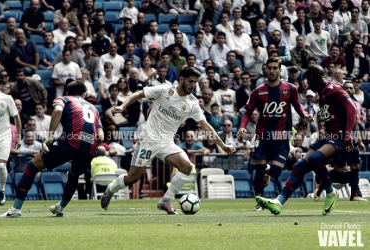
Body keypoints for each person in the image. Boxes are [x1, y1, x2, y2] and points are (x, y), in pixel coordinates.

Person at [100, 67, 235, 214]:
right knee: (132, 178)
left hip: (166, 143)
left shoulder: (192, 104)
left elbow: (207, 127)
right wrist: (122, 106)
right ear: (182, 79)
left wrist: (223, 145)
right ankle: (111, 189)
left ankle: (165, 201)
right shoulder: (164, 90)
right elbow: (140, 93)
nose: (192, 85)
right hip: (148, 140)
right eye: (190, 81)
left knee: (187, 167)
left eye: (195, 82)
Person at [256, 65, 359, 216]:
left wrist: (349, 135)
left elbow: (351, 108)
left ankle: (331, 192)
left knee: (316, 159)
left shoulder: (332, 88)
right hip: (329, 138)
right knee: (299, 167)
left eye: (307, 81)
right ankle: (278, 202)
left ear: (312, 78)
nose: (307, 86)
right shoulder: (322, 94)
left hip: (340, 137)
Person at [0, 81, 103, 218]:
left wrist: (50, 136)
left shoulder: (64, 99)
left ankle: (15, 210)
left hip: (70, 141)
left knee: (31, 166)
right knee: (73, 174)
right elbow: (100, 135)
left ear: (67, 92)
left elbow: (58, 110)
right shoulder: (94, 108)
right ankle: (60, 208)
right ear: (84, 95)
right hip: (89, 147)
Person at [237, 57, 313, 211]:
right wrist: (242, 127)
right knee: (259, 170)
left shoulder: (290, 88)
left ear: (280, 70)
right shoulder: (258, 91)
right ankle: (259, 202)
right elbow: (248, 112)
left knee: (277, 172)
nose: (271, 71)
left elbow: (297, 105)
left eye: (274, 68)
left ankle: (269, 172)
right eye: (269, 68)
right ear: (265, 69)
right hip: (263, 137)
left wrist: (304, 115)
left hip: (282, 137)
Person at [0, 73, 21, 207]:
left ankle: (1, 190)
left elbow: (17, 118)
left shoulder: (7, 98)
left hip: (4, 137)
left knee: (1, 166)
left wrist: (18, 137)